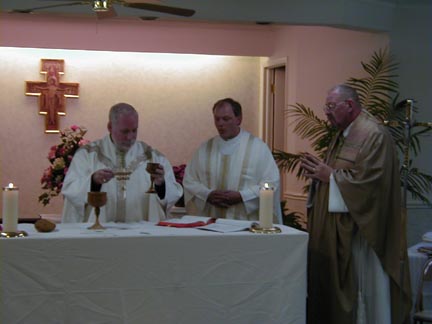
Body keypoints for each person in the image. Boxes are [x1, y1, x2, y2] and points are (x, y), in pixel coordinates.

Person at [300, 85, 411, 324]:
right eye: (326, 106)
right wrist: (320, 173)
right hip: (340, 228)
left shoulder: (374, 134)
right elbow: (341, 172)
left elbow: (372, 185)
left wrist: (328, 176)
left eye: (331, 106)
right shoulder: (344, 132)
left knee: (362, 292)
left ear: (349, 106)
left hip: (362, 235)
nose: (326, 113)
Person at [61, 102, 183, 223]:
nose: (130, 137)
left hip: (141, 235)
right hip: (100, 235)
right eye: (124, 131)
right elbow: (71, 191)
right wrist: (93, 181)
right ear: (110, 127)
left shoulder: (154, 157)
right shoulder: (87, 156)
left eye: (134, 130)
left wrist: (160, 185)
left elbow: (172, 196)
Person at [183, 98, 282, 223]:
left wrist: (242, 196)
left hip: (245, 224)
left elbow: (271, 182)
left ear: (238, 119)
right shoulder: (205, 148)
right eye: (217, 119)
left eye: (226, 119)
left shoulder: (258, 148)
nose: (220, 124)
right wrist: (207, 195)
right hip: (209, 223)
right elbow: (190, 180)